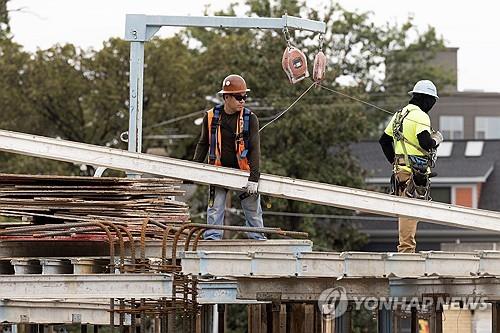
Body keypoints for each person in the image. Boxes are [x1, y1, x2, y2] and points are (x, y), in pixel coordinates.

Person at [193, 74, 266, 240]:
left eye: (245, 97)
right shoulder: (211, 117)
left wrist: (254, 178)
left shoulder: (249, 119)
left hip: (244, 173)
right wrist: (194, 170)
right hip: (219, 170)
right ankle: (212, 240)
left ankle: (258, 242)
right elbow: (203, 144)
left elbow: (255, 149)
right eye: (238, 97)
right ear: (226, 97)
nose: (242, 101)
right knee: (215, 209)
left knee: (253, 213)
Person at [378, 80, 443, 253]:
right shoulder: (421, 116)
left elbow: (384, 141)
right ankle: (406, 253)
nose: (432, 106)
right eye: (432, 102)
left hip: (400, 171)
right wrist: (436, 140)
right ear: (426, 99)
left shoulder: (400, 114)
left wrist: (395, 162)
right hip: (413, 173)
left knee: (408, 212)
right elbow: (425, 142)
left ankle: (406, 249)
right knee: (410, 212)